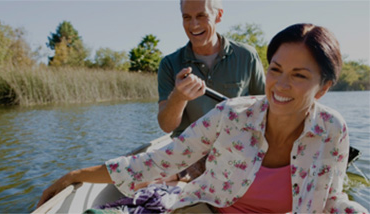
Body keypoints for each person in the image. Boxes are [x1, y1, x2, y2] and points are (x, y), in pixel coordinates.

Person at [37, 23, 368, 213]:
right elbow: (158, 162)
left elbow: (330, 199)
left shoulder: (331, 129)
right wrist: (74, 175)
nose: (280, 85)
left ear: (323, 87)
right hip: (207, 211)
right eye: (276, 70)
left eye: (298, 75)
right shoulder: (231, 115)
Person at [157, 0, 265, 182]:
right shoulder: (169, 64)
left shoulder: (247, 56)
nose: (194, 25)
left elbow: (267, 112)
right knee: (147, 181)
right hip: (188, 154)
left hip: (236, 151)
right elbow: (167, 126)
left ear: (219, 15)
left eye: (201, 16)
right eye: (187, 17)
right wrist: (179, 96)